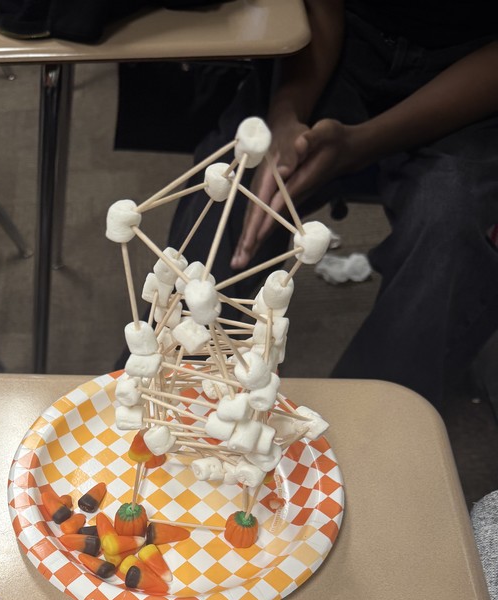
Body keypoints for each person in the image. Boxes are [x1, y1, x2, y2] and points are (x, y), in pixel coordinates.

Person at [166, 0, 498, 408]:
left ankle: (364, 435)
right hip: (346, 40)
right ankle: (173, 397)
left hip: (477, 70)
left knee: (450, 223)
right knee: (231, 189)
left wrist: (364, 143)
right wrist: (286, 114)